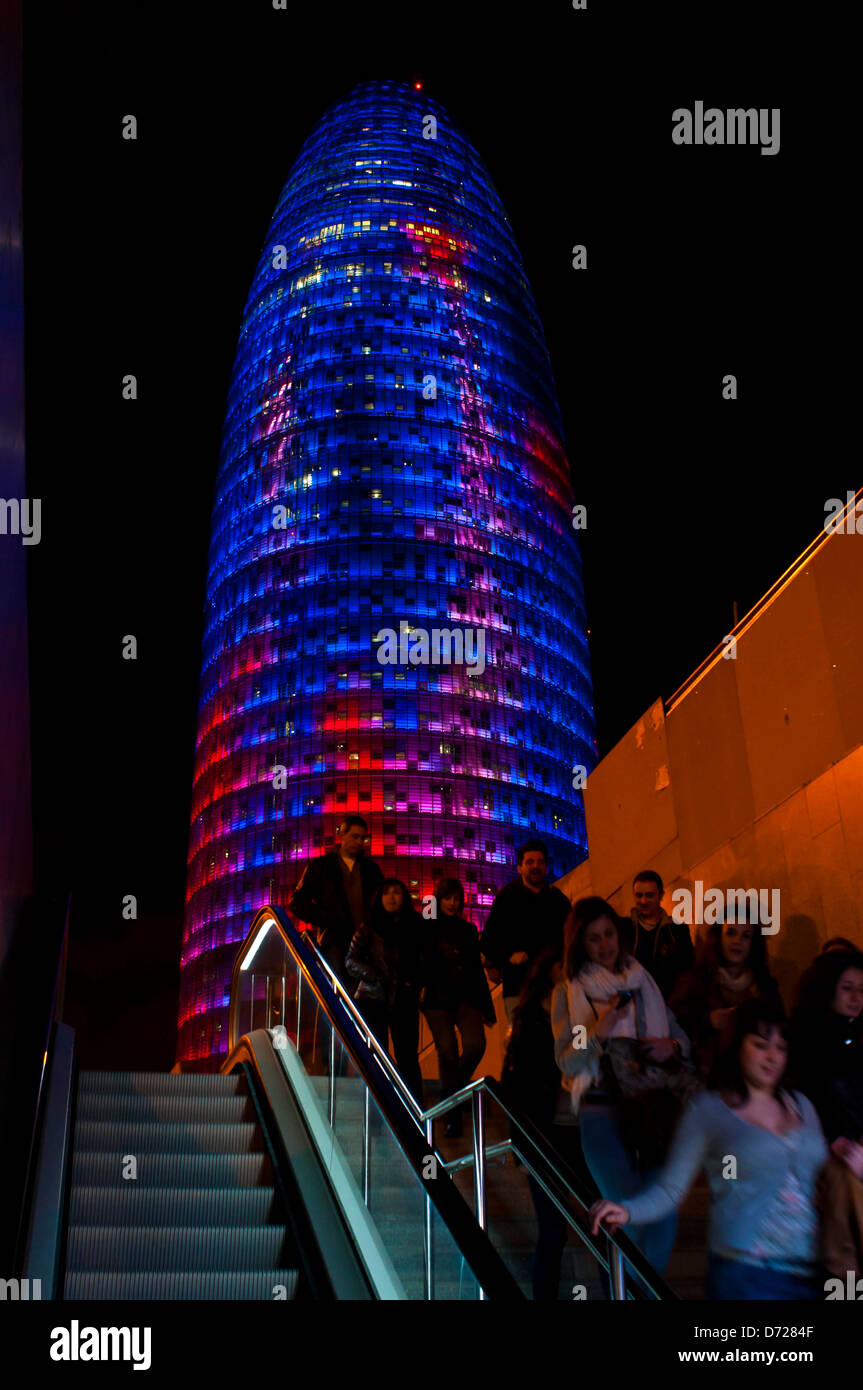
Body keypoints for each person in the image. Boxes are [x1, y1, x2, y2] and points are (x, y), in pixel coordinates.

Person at [589, 997, 829, 1300]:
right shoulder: (710, 1110)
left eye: (780, 1047)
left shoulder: (802, 1105)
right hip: (745, 1271)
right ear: (738, 1045)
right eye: (760, 1044)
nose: (772, 1057)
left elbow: (823, 1180)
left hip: (807, 1268)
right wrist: (627, 1210)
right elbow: (671, 1188)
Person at [551, 897, 694, 1281]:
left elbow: (682, 1038)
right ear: (580, 943)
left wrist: (673, 1047)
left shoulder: (642, 979)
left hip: (651, 1103)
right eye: (593, 938)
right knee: (626, 1210)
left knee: (663, 1208)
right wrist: (601, 1031)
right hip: (601, 1105)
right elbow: (566, 1059)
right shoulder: (569, 990)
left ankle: (646, 1293)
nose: (604, 945)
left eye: (609, 934)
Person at [501, 945, 599, 1300]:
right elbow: (513, 1086)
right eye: (565, 970)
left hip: (584, 1132)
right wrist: (521, 1147)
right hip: (546, 1135)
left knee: (604, 1226)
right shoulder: (531, 1020)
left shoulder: (585, 1013)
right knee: (554, 1231)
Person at [789, 948, 863, 1279]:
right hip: (827, 1146)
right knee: (842, 1184)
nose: (856, 997)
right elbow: (810, 1095)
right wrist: (834, 1137)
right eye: (847, 987)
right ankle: (845, 1282)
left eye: (862, 989)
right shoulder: (810, 1039)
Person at [421, 877, 496, 1138]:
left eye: (456, 898)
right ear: (439, 899)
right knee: (447, 1051)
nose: (453, 903)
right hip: (436, 998)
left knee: (476, 1045)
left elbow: (476, 970)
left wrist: (488, 1009)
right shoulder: (429, 924)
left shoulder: (466, 930)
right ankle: (452, 1115)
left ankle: (451, 1092)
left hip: (465, 996)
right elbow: (421, 951)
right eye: (447, 898)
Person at [669, 910, 781, 1082]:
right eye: (730, 933)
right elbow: (675, 1020)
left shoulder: (765, 986)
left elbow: (779, 1031)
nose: (737, 941)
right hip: (706, 1077)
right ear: (719, 937)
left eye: (746, 936)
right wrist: (707, 1020)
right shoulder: (698, 978)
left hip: (750, 1078)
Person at [344, 878, 424, 1103]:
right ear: (379, 898)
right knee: (377, 1056)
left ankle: (414, 1108)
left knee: (407, 1057)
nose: (391, 897)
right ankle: (380, 1105)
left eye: (396, 892)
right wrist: (377, 977)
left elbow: (423, 961)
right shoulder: (368, 928)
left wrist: (414, 984)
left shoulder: (415, 926)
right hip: (373, 997)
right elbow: (351, 961)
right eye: (386, 893)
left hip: (404, 998)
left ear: (404, 897)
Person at [480, 839, 570, 1022]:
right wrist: (507, 957)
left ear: (546, 867)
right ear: (519, 867)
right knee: (523, 1044)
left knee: (558, 1041)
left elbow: (572, 936)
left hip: (553, 986)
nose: (535, 866)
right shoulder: (507, 898)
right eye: (530, 862)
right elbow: (488, 940)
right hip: (518, 986)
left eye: (540, 862)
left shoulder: (557, 900)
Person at [288, 816, 383, 988]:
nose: (360, 842)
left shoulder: (371, 869)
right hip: (335, 941)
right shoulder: (321, 866)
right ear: (342, 835)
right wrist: (328, 919)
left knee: (361, 994)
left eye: (363, 838)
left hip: (365, 943)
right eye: (355, 836)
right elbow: (297, 902)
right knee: (337, 990)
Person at [626, 870, 694, 1001]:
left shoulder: (678, 930)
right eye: (639, 895)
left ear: (661, 895)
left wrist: (670, 1007)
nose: (643, 901)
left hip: (668, 1007)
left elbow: (686, 973)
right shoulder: (624, 929)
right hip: (634, 1010)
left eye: (649, 895)